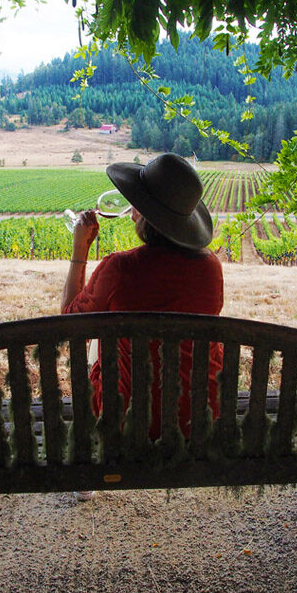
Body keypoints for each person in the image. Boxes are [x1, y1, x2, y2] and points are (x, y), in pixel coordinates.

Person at [61, 153, 224, 442]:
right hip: (198, 417)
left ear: (141, 213)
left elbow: (69, 325)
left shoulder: (120, 268)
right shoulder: (211, 269)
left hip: (128, 422)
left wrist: (79, 247)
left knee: (100, 342)